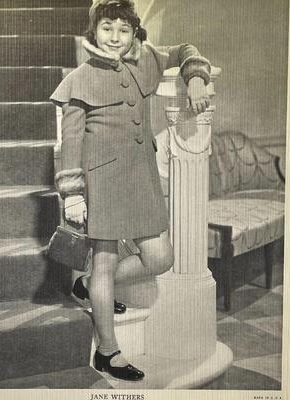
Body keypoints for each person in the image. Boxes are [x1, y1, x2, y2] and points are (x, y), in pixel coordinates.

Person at [50, 0, 211, 381]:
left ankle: (87, 285)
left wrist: (196, 77)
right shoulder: (79, 79)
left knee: (160, 257)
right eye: (107, 28)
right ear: (94, 31)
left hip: (141, 180)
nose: (115, 37)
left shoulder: (146, 59)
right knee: (104, 263)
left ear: (133, 32)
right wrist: (72, 194)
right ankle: (108, 350)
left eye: (123, 29)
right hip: (100, 184)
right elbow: (70, 142)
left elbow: (185, 50)